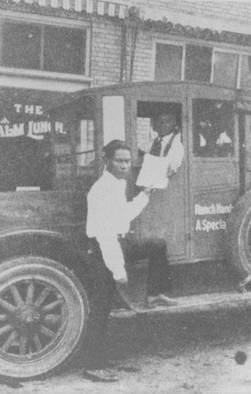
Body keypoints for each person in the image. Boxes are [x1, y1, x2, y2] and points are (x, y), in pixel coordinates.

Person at [83, 140, 177, 379]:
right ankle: (94, 366)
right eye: (120, 161)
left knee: (156, 245)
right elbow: (105, 236)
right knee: (101, 308)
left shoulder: (116, 184)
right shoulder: (102, 189)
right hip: (104, 249)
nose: (126, 166)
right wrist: (118, 270)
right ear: (106, 160)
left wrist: (144, 195)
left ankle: (155, 294)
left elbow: (123, 215)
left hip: (118, 242)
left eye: (127, 161)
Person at [149, 111, 184, 176]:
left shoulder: (176, 145)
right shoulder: (153, 142)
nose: (162, 125)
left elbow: (172, 168)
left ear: (173, 124)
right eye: (159, 121)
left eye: (166, 121)